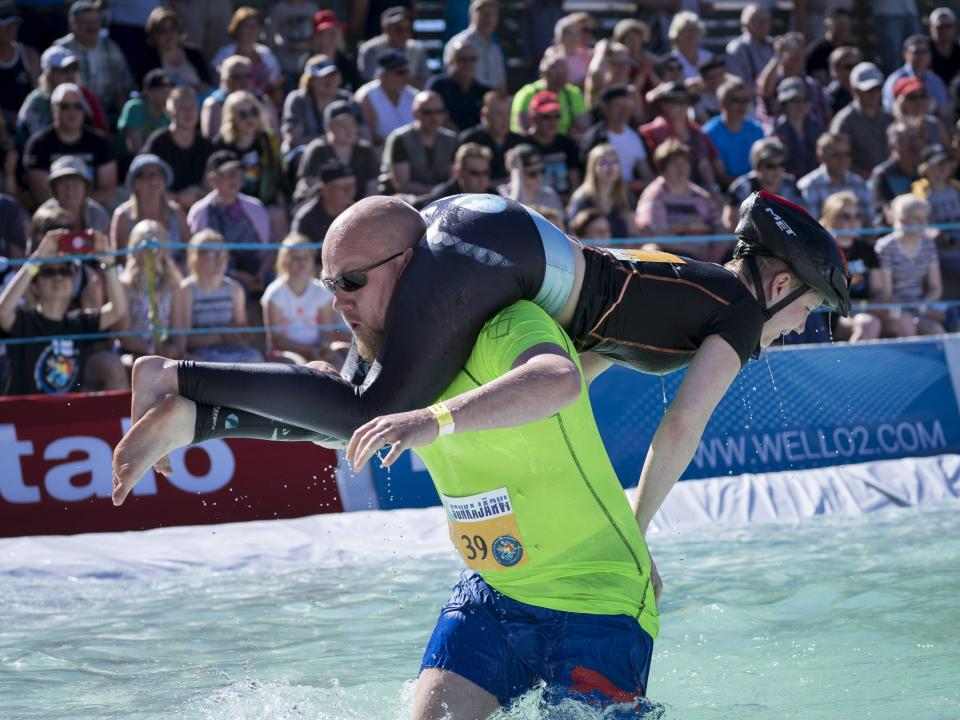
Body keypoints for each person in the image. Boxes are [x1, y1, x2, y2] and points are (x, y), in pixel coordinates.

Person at [113, 202, 664, 719]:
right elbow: (337, 427)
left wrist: (434, 419)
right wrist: (203, 424)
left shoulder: (505, 323)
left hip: (598, 601)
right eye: (331, 285)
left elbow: (559, 379)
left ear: (410, 269)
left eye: (352, 281)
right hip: (494, 595)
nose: (338, 302)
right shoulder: (396, 366)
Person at [114, 190, 850, 514]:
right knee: (377, 412)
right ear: (780, 282)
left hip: (492, 233)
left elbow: (582, 357)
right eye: (811, 308)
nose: (802, 324)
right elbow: (682, 428)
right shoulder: (744, 311)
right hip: (500, 250)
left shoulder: (703, 290)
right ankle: (173, 374)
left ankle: (193, 420)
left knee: (363, 414)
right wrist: (636, 529)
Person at [0, 227, 128, 395]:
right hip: (25, 417)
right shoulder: (24, 321)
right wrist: (37, 259)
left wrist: (109, 262)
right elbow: (3, 310)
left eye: (64, 271)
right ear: (35, 286)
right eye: (48, 272)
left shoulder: (78, 323)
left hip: (66, 416)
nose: (58, 277)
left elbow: (118, 310)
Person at [187, 151, 272, 301]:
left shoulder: (256, 207)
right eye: (228, 174)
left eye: (238, 173)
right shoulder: (200, 212)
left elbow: (270, 249)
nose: (235, 179)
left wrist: (261, 274)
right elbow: (198, 256)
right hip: (218, 274)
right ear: (212, 179)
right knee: (237, 291)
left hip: (257, 272)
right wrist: (238, 276)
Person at [22, 82, 117, 209]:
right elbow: (41, 194)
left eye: (77, 106)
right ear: (54, 110)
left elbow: (107, 189)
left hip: (91, 212)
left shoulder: (100, 142)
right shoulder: (38, 144)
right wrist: (67, 211)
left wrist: (79, 209)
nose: (72, 111)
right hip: (53, 213)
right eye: (65, 106)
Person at [635, 139, 723, 262]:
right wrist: (694, 251)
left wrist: (716, 253)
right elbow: (654, 233)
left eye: (684, 162)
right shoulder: (653, 195)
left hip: (708, 256)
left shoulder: (701, 195)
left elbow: (719, 227)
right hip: (674, 257)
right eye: (675, 164)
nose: (681, 168)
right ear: (663, 168)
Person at [260, 233, 339, 364]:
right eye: (296, 258)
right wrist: (308, 350)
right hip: (284, 353)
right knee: (300, 365)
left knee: (340, 359)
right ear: (284, 261)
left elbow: (327, 330)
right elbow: (276, 340)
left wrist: (324, 348)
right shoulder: (274, 293)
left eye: (306, 257)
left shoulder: (321, 291)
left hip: (316, 349)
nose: (301, 262)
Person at [874, 194, 944, 336]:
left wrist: (923, 307)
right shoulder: (885, 247)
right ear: (902, 220)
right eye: (917, 219)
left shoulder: (928, 244)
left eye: (925, 218)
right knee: (908, 327)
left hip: (920, 309)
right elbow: (887, 294)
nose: (924, 224)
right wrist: (913, 310)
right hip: (895, 311)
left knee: (938, 331)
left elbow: (936, 288)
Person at [52, 0, 134, 121]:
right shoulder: (61, 49)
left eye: (95, 21)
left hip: (109, 113)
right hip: (72, 112)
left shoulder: (111, 48)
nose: (91, 26)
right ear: (72, 25)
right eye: (84, 22)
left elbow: (121, 89)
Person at [116, 219, 184, 362]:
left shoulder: (173, 284)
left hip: (165, 353)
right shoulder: (125, 285)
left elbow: (178, 330)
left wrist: (175, 350)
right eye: (144, 242)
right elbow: (124, 335)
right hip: (134, 353)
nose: (150, 249)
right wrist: (151, 349)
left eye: (155, 241)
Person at [819, 191, 882, 343]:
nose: (854, 221)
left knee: (904, 322)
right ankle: (854, 367)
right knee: (868, 324)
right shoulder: (822, 251)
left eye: (857, 216)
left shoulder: (867, 250)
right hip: (834, 316)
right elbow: (831, 300)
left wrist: (882, 304)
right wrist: (869, 306)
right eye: (846, 216)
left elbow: (879, 289)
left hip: (867, 310)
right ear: (831, 219)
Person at [16, 45, 108, 148]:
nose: (71, 75)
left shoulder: (86, 96)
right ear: (48, 74)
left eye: (73, 69)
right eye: (64, 71)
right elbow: (35, 141)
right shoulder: (36, 101)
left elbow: (100, 133)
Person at [142, 87, 214, 211]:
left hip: (199, 207)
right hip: (164, 207)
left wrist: (199, 195)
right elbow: (145, 181)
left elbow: (210, 186)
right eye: (182, 107)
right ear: (169, 112)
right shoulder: (157, 143)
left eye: (192, 107)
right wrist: (177, 198)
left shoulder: (206, 145)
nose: (188, 112)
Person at [296, 100, 380, 201]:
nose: (348, 129)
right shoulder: (317, 150)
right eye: (342, 125)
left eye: (352, 124)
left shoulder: (365, 150)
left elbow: (373, 188)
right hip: (321, 207)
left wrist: (361, 210)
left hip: (358, 208)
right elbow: (311, 186)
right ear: (329, 127)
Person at [380, 90, 458, 197]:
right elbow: (402, 185)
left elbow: (453, 179)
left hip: (443, 199)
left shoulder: (451, 140)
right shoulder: (400, 139)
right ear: (415, 113)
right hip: (408, 202)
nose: (434, 117)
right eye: (427, 112)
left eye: (439, 112)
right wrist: (437, 191)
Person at [578, 85, 653, 193]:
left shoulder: (636, 136)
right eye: (618, 106)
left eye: (627, 106)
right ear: (605, 109)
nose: (623, 111)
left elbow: (645, 172)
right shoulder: (594, 138)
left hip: (632, 195)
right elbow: (592, 178)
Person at [110, 154, 189, 255]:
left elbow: (191, 252)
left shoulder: (177, 212)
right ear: (135, 183)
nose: (154, 181)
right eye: (147, 176)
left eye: (158, 175)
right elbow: (119, 258)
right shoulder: (122, 216)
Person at [211, 7, 284, 108]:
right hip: (230, 102)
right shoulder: (224, 54)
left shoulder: (266, 53)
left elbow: (276, 79)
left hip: (261, 102)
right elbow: (219, 83)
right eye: (248, 26)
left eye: (256, 26)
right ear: (237, 28)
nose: (253, 30)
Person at [280, 54, 355, 153]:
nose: (329, 79)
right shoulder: (297, 100)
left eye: (332, 74)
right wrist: (332, 139)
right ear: (310, 80)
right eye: (323, 76)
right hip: (307, 154)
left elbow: (363, 134)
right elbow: (293, 139)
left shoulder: (347, 99)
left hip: (343, 152)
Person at [830, 62, 893, 177]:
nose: (874, 93)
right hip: (856, 184)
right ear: (854, 90)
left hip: (888, 181)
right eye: (868, 90)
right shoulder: (844, 121)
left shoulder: (889, 118)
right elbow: (838, 159)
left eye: (877, 88)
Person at [725, 138, 803, 230]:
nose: (777, 170)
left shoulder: (790, 184)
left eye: (781, 164)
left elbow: (801, 220)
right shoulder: (741, 187)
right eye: (770, 165)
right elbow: (732, 224)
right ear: (757, 166)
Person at [510, 49, 588, 138]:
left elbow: (583, 128)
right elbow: (524, 130)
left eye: (563, 75)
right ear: (542, 73)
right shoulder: (526, 94)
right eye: (555, 74)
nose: (560, 79)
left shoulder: (574, 93)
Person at [703, 78, 765, 188]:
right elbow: (720, 175)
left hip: (756, 190)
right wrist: (746, 189)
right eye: (735, 100)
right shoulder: (709, 132)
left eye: (745, 100)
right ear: (722, 103)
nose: (741, 105)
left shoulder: (756, 129)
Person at [797, 132, 872, 222]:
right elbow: (812, 225)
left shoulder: (859, 183)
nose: (842, 159)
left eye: (846, 154)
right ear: (820, 157)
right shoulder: (809, 185)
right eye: (835, 154)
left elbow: (869, 220)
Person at [567, 143, 635, 239]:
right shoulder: (581, 198)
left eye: (615, 162)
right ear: (593, 168)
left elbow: (632, 233)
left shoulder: (625, 195)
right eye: (604, 163)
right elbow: (572, 235)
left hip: (621, 252)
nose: (610, 167)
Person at [522, 90, 582, 198]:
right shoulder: (523, 145)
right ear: (533, 117)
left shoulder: (567, 143)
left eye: (557, 116)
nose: (552, 122)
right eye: (546, 117)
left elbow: (575, 182)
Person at [457, 91, 523, 186]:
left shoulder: (518, 141)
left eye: (508, 113)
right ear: (485, 115)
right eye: (499, 114)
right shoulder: (470, 140)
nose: (505, 119)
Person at [141, 7, 212, 95]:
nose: (168, 34)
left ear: (179, 31)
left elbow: (207, 83)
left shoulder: (194, 54)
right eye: (161, 30)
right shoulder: (148, 60)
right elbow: (147, 91)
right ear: (154, 34)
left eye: (172, 28)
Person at [426, 38, 490, 133]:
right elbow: (432, 116)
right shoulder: (438, 86)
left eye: (472, 59)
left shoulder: (484, 91)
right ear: (450, 62)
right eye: (463, 60)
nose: (468, 64)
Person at [882, 35, 950, 124]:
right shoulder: (894, 80)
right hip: (904, 129)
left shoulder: (935, 81)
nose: (921, 56)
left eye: (924, 51)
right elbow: (890, 111)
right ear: (905, 55)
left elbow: (944, 111)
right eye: (916, 52)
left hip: (931, 129)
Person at [358, 6, 430, 89]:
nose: (404, 34)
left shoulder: (418, 49)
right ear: (385, 29)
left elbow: (425, 81)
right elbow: (369, 82)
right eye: (398, 29)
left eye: (408, 29)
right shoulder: (370, 49)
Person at [356, 50, 418, 146]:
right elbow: (369, 137)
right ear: (384, 75)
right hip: (380, 155)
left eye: (406, 72)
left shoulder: (414, 96)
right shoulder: (366, 96)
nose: (405, 76)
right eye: (400, 72)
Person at [444, 0, 507, 93]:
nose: (488, 18)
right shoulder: (458, 44)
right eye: (483, 13)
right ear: (471, 15)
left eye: (492, 13)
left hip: (490, 105)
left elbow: (501, 86)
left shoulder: (495, 49)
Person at [39, 155, 110, 235]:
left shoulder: (98, 215)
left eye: (76, 183)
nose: (70, 189)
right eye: (62, 182)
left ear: (85, 187)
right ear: (54, 188)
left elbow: (109, 246)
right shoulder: (42, 216)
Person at [291, 160, 357, 246]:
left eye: (352, 186)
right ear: (324, 191)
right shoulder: (306, 219)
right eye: (342, 187)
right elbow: (300, 251)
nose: (349, 191)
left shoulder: (357, 214)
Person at [871, 121, 925, 226]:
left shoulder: (923, 171)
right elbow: (887, 213)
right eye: (908, 139)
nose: (915, 144)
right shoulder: (882, 174)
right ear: (893, 145)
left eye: (917, 138)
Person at [413, 142, 494, 209]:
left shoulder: (494, 197)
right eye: (475, 173)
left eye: (486, 172)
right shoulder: (442, 198)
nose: (482, 178)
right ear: (458, 172)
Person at [772, 77, 824, 179]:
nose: (800, 105)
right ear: (783, 104)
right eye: (794, 100)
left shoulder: (817, 128)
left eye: (803, 100)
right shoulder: (775, 131)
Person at [911, 143, 960, 246]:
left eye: (946, 163)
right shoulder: (920, 190)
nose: (943, 167)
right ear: (926, 168)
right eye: (938, 164)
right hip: (935, 248)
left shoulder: (956, 188)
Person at [497, 143, 564, 217]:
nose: (539, 177)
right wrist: (516, 171)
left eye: (542, 171)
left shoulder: (550, 195)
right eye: (532, 173)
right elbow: (515, 214)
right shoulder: (501, 193)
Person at [117, 69, 174, 156]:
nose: (167, 97)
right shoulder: (135, 108)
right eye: (163, 92)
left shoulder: (169, 114)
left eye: (169, 92)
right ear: (148, 92)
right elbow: (136, 150)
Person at [0, 4, 38, 130]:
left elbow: (37, 94)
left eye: (14, 24)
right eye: (6, 25)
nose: (12, 29)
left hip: (26, 119)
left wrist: (23, 117)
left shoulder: (29, 55)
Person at [724, 4, 773, 88]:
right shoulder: (736, 48)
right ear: (746, 24)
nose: (764, 25)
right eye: (758, 21)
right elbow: (738, 82)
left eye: (766, 20)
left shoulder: (774, 45)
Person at [805, 6, 853, 86]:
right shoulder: (816, 50)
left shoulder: (851, 50)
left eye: (846, 25)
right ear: (828, 25)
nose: (843, 29)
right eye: (839, 25)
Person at [667, 12, 711, 81]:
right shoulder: (670, 61)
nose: (691, 33)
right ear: (677, 34)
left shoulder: (709, 57)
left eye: (694, 29)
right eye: (686, 30)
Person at [929, 7, 960, 88]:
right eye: (939, 27)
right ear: (931, 28)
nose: (943, 30)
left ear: (954, 27)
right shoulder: (923, 51)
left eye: (947, 26)